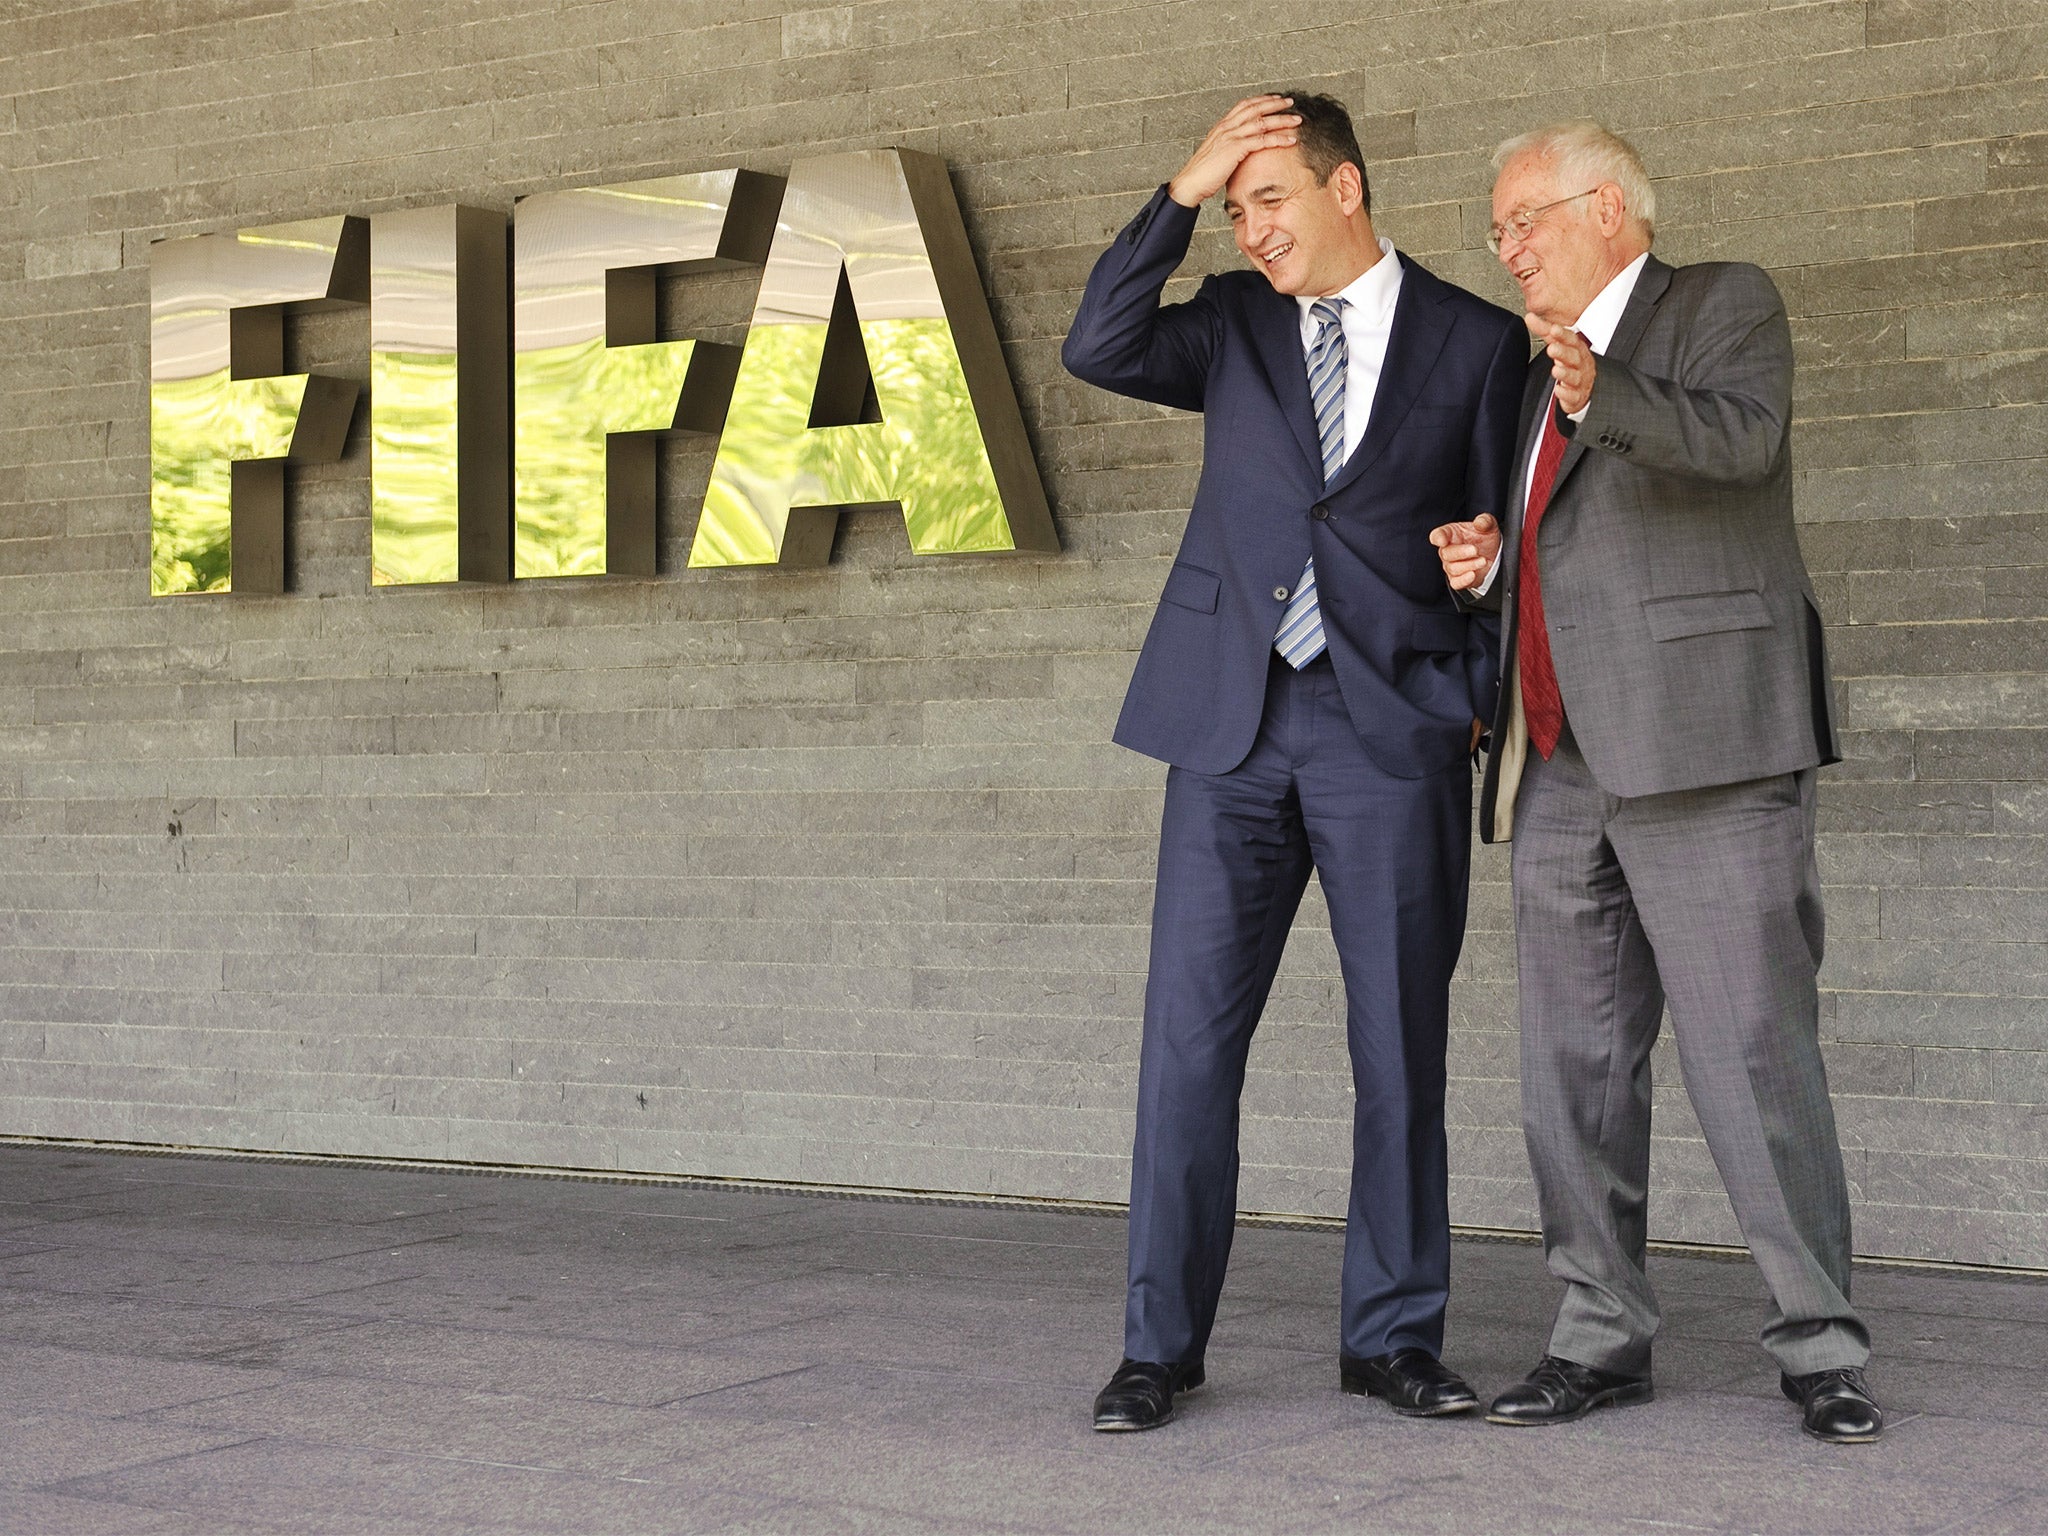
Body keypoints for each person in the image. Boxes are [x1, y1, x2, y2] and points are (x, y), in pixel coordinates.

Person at [1063, 92, 1526, 1431]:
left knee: (1401, 1046)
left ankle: (1392, 1339)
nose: (1249, 226)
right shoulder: (1229, 325)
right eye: (1232, 206)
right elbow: (1098, 341)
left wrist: (1482, 593)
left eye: (1268, 199)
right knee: (1188, 1049)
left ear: (1348, 188)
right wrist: (1180, 184)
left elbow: (1506, 536)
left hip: (1392, 730)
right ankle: (1158, 1347)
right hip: (1229, 727)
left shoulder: (1477, 341)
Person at [1430, 120, 1882, 1444]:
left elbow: (1740, 445)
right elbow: (1573, 551)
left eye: (1527, 219)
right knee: (1570, 1071)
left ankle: (1820, 1348)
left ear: (1613, 211)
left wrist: (1596, 393)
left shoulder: (1720, 305)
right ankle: (1596, 1337)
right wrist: (1485, 560)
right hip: (1560, 763)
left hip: (1711, 752)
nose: (1508, 246)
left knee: (1752, 1056)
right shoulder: (1535, 377)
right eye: (1499, 226)